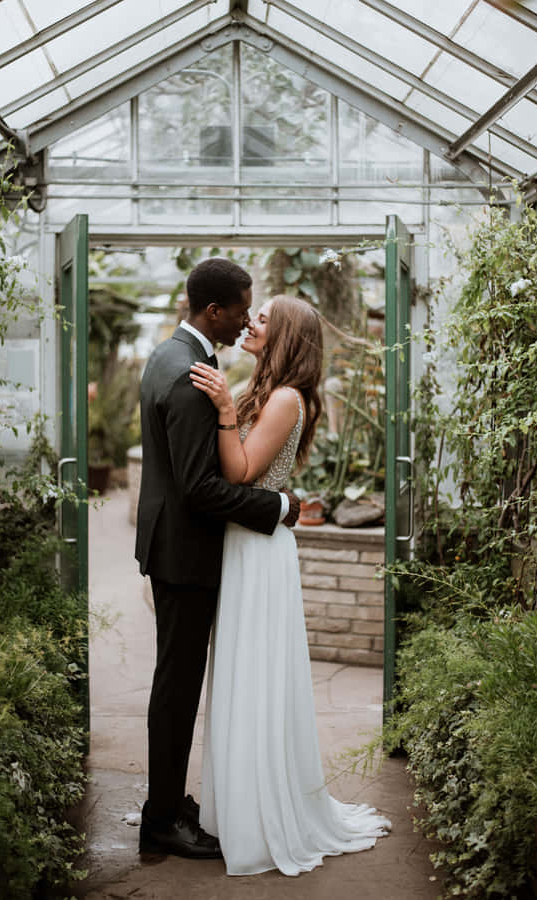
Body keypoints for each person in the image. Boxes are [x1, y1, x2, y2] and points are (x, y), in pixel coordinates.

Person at [189, 294, 391, 876]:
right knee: (241, 674)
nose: (249, 322)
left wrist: (227, 409)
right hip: (248, 543)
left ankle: (260, 816)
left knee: (253, 677)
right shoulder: (269, 389)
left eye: (262, 320)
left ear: (286, 339)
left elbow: (242, 472)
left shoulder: (283, 398)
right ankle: (236, 807)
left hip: (258, 549)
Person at [135, 259, 300, 860]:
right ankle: (162, 820)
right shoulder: (191, 375)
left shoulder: (166, 357)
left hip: (171, 548)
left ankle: (170, 800)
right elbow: (199, 488)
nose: (243, 320)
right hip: (185, 555)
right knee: (177, 689)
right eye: (240, 310)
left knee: (174, 684)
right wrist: (277, 505)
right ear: (214, 312)